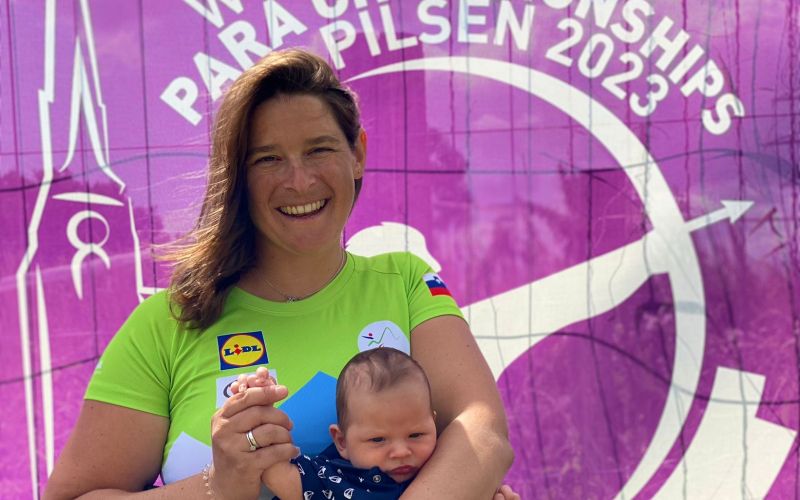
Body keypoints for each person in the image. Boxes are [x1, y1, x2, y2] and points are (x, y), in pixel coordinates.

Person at [45, 48, 517, 500]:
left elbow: (483, 432)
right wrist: (217, 489)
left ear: (357, 153)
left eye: (319, 149)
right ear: (238, 176)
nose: (300, 181)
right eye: (268, 158)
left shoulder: (407, 283)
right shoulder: (166, 324)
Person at [234, 348, 437, 499]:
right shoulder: (334, 478)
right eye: (378, 439)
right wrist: (258, 408)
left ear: (434, 424)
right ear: (342, 442)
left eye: (416, 435)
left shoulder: (443, 466)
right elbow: (278, 475)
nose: (401, 452)